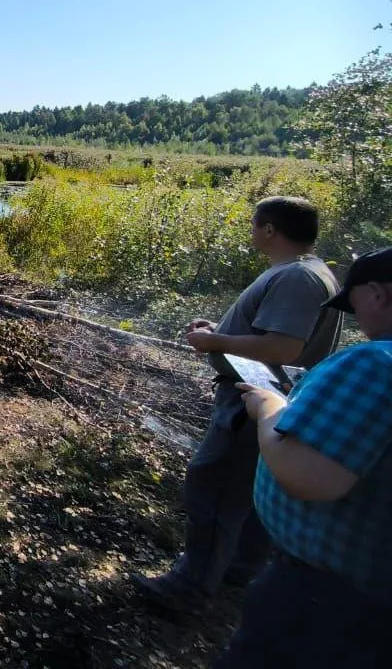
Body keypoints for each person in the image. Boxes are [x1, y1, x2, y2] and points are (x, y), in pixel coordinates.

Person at [130, 196, 340, 612]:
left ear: (270, 230)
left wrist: (217, 341)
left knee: (214, 486)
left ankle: (189, 587)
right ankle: (235, 569)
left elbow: (284, 345)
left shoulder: (297, 277)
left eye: (255, 225)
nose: (252, 231)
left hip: (252, 402)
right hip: (265, 399)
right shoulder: (305, 272)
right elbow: (269, 333)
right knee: (250, 491)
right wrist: (219, 329)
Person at [216, 247, 392, 668]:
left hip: (329, 601)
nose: (357, 318)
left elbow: (309, 476)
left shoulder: (376, 362)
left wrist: (270, 408)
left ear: (378, 293)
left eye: (355, 305)